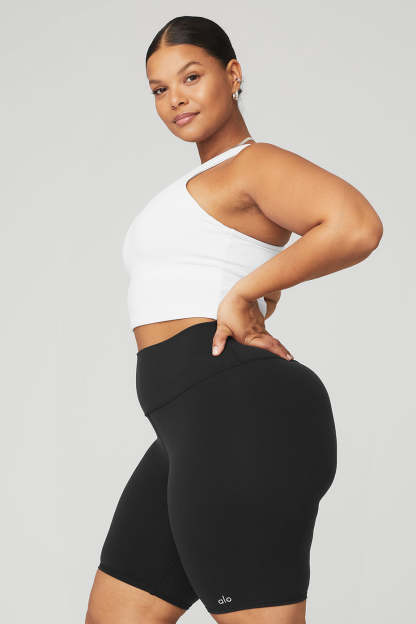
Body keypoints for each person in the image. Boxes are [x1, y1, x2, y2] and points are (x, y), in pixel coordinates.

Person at [85, 15, 383, 624]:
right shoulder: (199, 181)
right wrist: (259, 282)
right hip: (189, 432)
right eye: (160, 89)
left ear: (234, 74)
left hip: (242, 419)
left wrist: (248, 290)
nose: (175, 99)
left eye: (191, 77)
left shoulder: (253, 163)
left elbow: (356, 225)